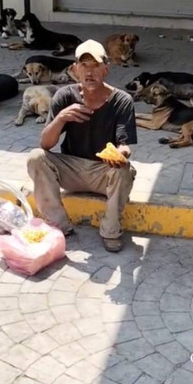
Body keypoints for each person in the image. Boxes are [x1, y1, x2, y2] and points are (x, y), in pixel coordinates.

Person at [27, 39, 137, 253]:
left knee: (125, 170)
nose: (89, 72)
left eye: (95, 65)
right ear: (74, 69)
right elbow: (46, 145)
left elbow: (124, 145)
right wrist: (60, 119)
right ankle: (59, 225)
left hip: (102, 172)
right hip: (71, 170)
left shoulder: (122, 100)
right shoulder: (65, 95)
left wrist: (120, 155)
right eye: (84, 65)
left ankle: (110, 231)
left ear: (106, 69)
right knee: (35, 157)